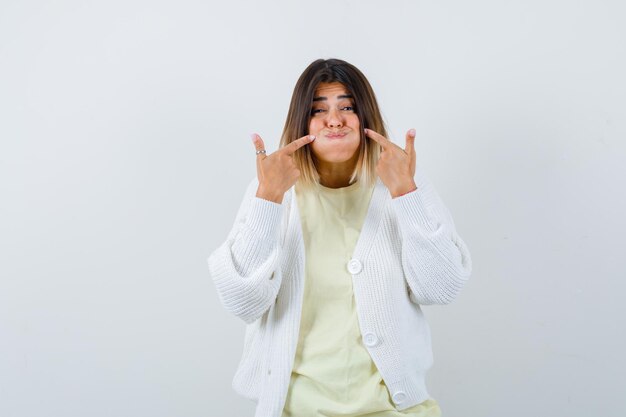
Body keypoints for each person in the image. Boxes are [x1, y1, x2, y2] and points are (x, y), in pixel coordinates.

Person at [207, 58, 472, 417]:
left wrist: (406, 194)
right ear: (301, 122)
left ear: (366, 118)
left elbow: (441, 288)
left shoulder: (402, 181)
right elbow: (243, 303)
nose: (335, 119)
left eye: (347, 107)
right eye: (319, 110)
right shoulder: (273, 190)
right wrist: (267, 199)